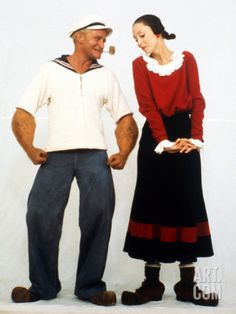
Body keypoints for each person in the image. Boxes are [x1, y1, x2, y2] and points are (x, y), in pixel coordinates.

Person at [11, 14, 138, 306]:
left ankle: (91, 287)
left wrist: (124, 151)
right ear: (78, 37)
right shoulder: (50, 70)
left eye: (105, 39)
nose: (102, 44)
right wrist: (30, 148)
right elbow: (23, 113)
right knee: (40, 215)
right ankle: (42, 286)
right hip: (56, 154)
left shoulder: (105, 75)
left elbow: (126, 119)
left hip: (96, 155)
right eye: (98, 38)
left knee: (99, 215)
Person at [121, 14, 218, 307]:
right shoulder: (139, 66)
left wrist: (195, 139)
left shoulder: (187, 59)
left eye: (142, 36)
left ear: (159, 33)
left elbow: (197, 101)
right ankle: (152, 284)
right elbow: (148, 107)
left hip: (185, 136)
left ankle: (187, 285)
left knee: (187, 201)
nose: (139, 43)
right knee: (152, 202)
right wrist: (164, 143)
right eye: (135, 39)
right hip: (156, 139)